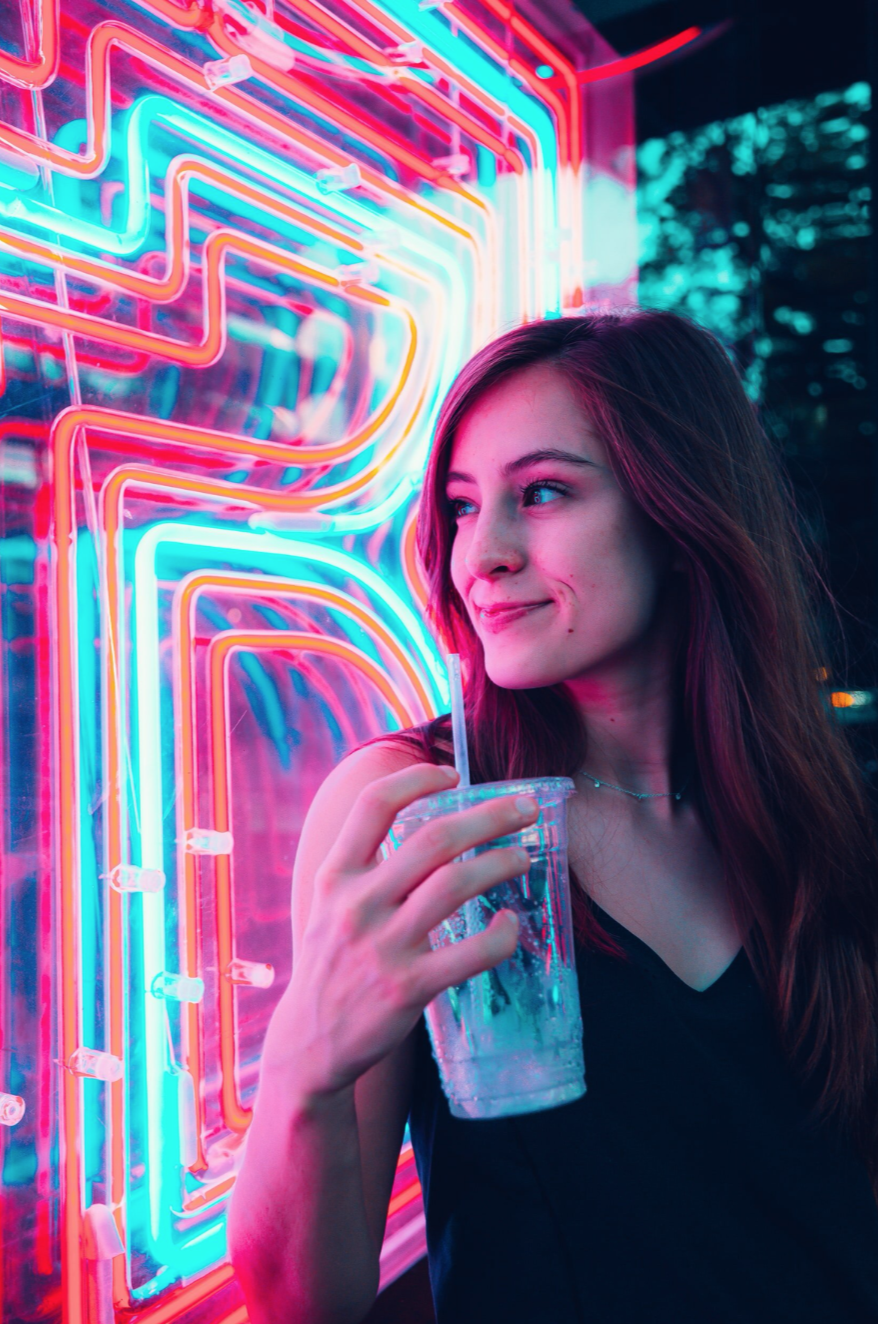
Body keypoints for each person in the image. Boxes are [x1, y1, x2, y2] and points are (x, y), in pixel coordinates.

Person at [228, 311, 878, 1324]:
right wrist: (302, 1068)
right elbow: (300, 1304)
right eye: (459, 506)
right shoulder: (417, 807)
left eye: (539, 493)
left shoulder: (812, 813)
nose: (477, 553)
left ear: (677, 518)